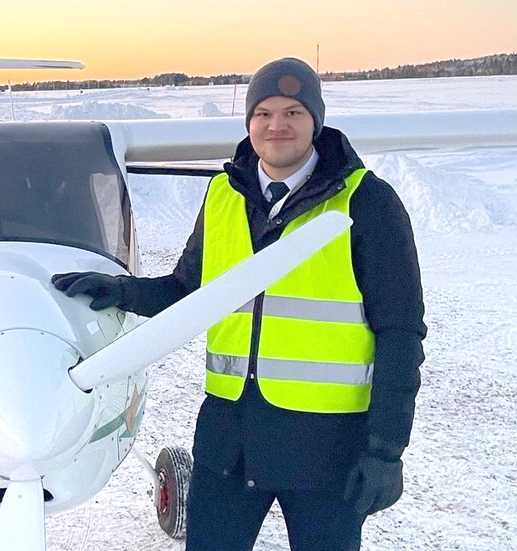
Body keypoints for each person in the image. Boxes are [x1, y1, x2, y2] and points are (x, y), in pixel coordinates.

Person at [51, 58, 425, 550]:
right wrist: (125, 291)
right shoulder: (224, 195)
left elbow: (400, 334)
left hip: (327, 453)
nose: (277, 126)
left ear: (316, 119)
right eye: (264, 113)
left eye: (293, 112)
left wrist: (385, 452)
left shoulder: (367, 204)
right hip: (230, 445)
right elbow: (190, 291)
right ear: (249, 121)